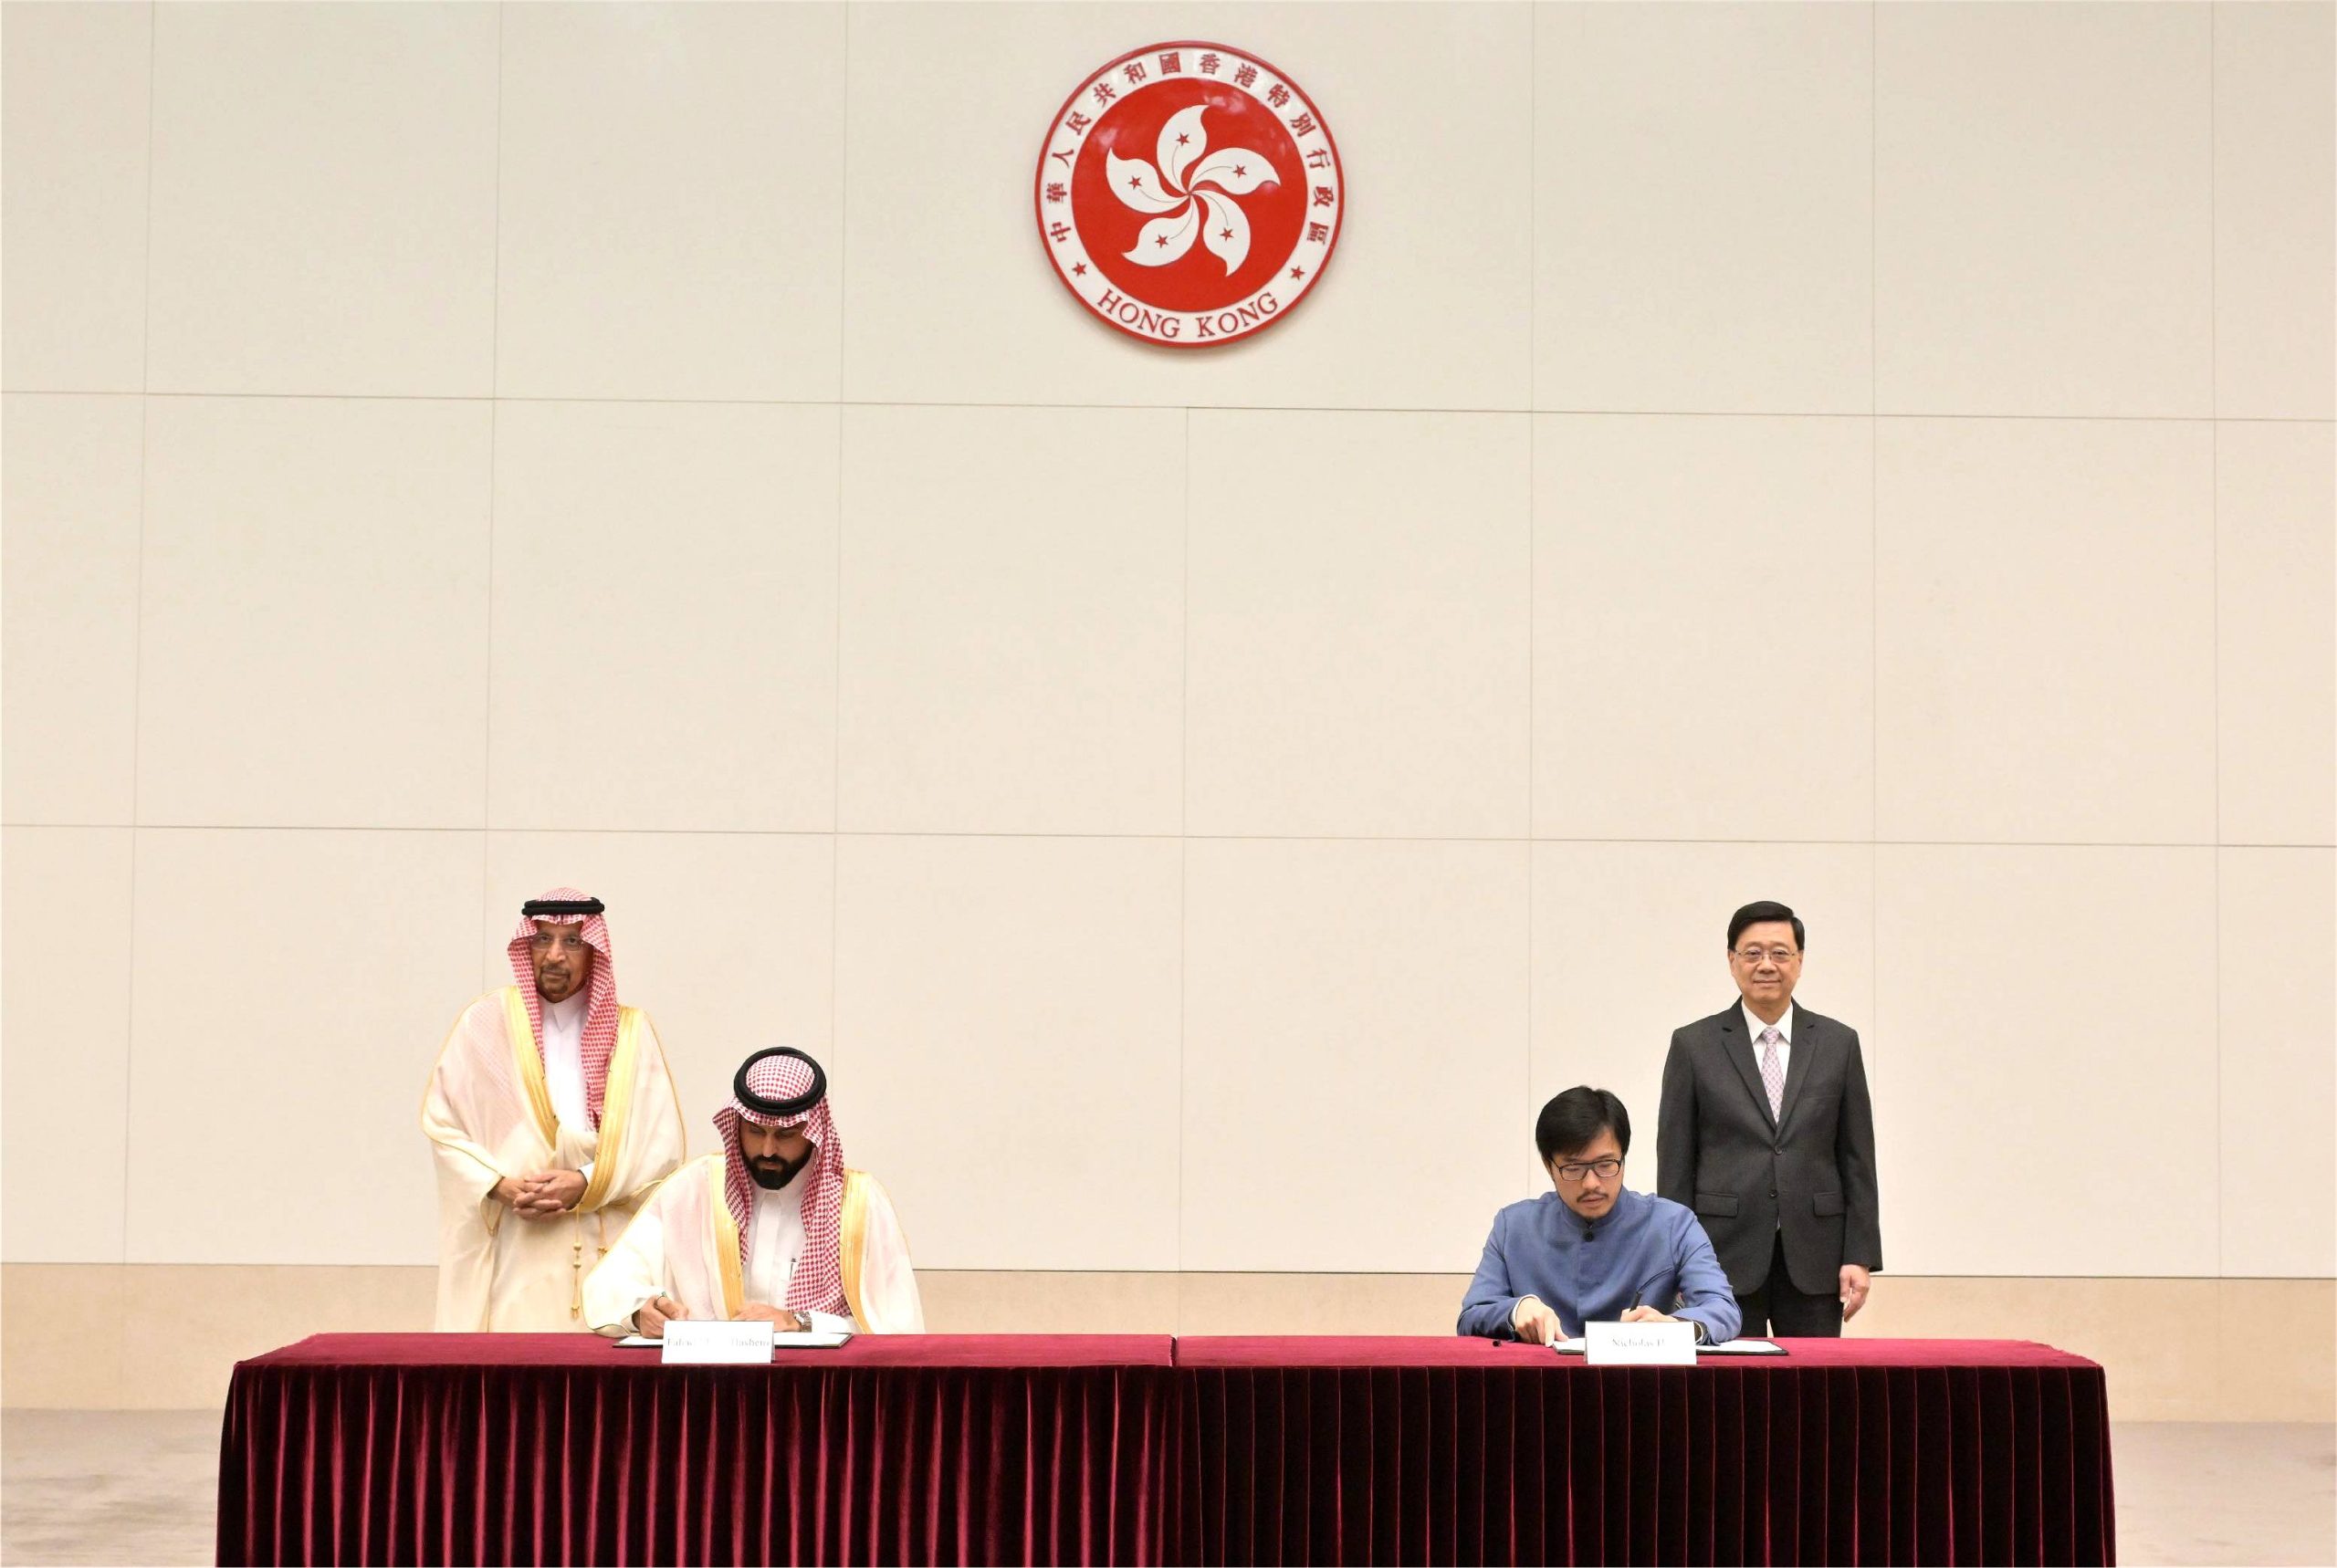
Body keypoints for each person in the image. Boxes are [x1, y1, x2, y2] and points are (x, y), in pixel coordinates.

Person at [421, 889, 687, 1331]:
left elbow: (661, 1148)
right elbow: (443, 1125)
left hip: (606, 1244)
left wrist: (584, 1181)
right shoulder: (484, 1025)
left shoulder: (631, 1033)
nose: (555, 956)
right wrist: (499, 1185)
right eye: (543, 939)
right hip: (516, 1241)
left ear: (594, 951)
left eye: (572, 942)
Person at [583, 1046, 924, 1336]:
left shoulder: (859, 1206)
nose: (767, 1150)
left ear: (814, 1132)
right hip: (712, 1383)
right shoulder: (692, 1191)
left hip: (819, 1386)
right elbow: (611, 1284)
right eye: (755, 1131)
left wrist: (800, 1322)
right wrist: (641, 1312)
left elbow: (896, 1325)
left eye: (786, 1135)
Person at [1657, 899, 1881, 1337]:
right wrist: (1677, 1259)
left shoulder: (1838, 1044)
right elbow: (1676, 1162)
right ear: (1731, 960)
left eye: (1780, 953)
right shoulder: (1693, 1045)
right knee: (1732, 1378)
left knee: (1815, 1376)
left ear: (1799, 960)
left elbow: (1858, 1158)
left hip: (1817, 1255)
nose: (1766, 965)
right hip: (1721, 1255)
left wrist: (1860, 1255)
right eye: (1752, 953)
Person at [1459, 1086, 1739, 1344]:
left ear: (1623, 1157)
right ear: (1548, 1166)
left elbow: (1722, 1308)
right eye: (1573, 1168)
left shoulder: (1673, 1224)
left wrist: (1676, 1327)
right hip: (1540, 1378)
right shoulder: (1514, 1226)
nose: (1591, 1183)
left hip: (1639, 1378)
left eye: (1606, 1165)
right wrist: (1516, 1310)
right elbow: (1472, 1315)